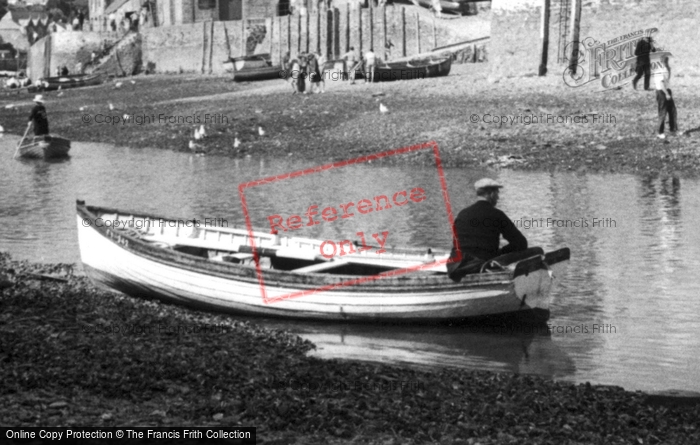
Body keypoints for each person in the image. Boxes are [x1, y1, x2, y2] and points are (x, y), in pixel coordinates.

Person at [447, 178, 527, 281]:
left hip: (456, 265)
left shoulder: (462, 214)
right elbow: (521, 243)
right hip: (481, 264)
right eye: (497, 193)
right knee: (537, 250)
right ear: (491, 194)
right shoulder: (497, 214)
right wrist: (501, 252)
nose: (498, 197)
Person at [653, 55, 678, 139]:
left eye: (667, 61)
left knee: (672, 111)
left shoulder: (666, 69)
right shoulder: (659, 70)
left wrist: (669, 70)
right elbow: (661, 83)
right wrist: (667, 94)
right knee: (662, 112)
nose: (667, 63)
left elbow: (668, 79)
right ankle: (660, 132)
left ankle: (673, 129)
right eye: (665, 61)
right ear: (662, 61)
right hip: (662, 92)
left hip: (667, 90)